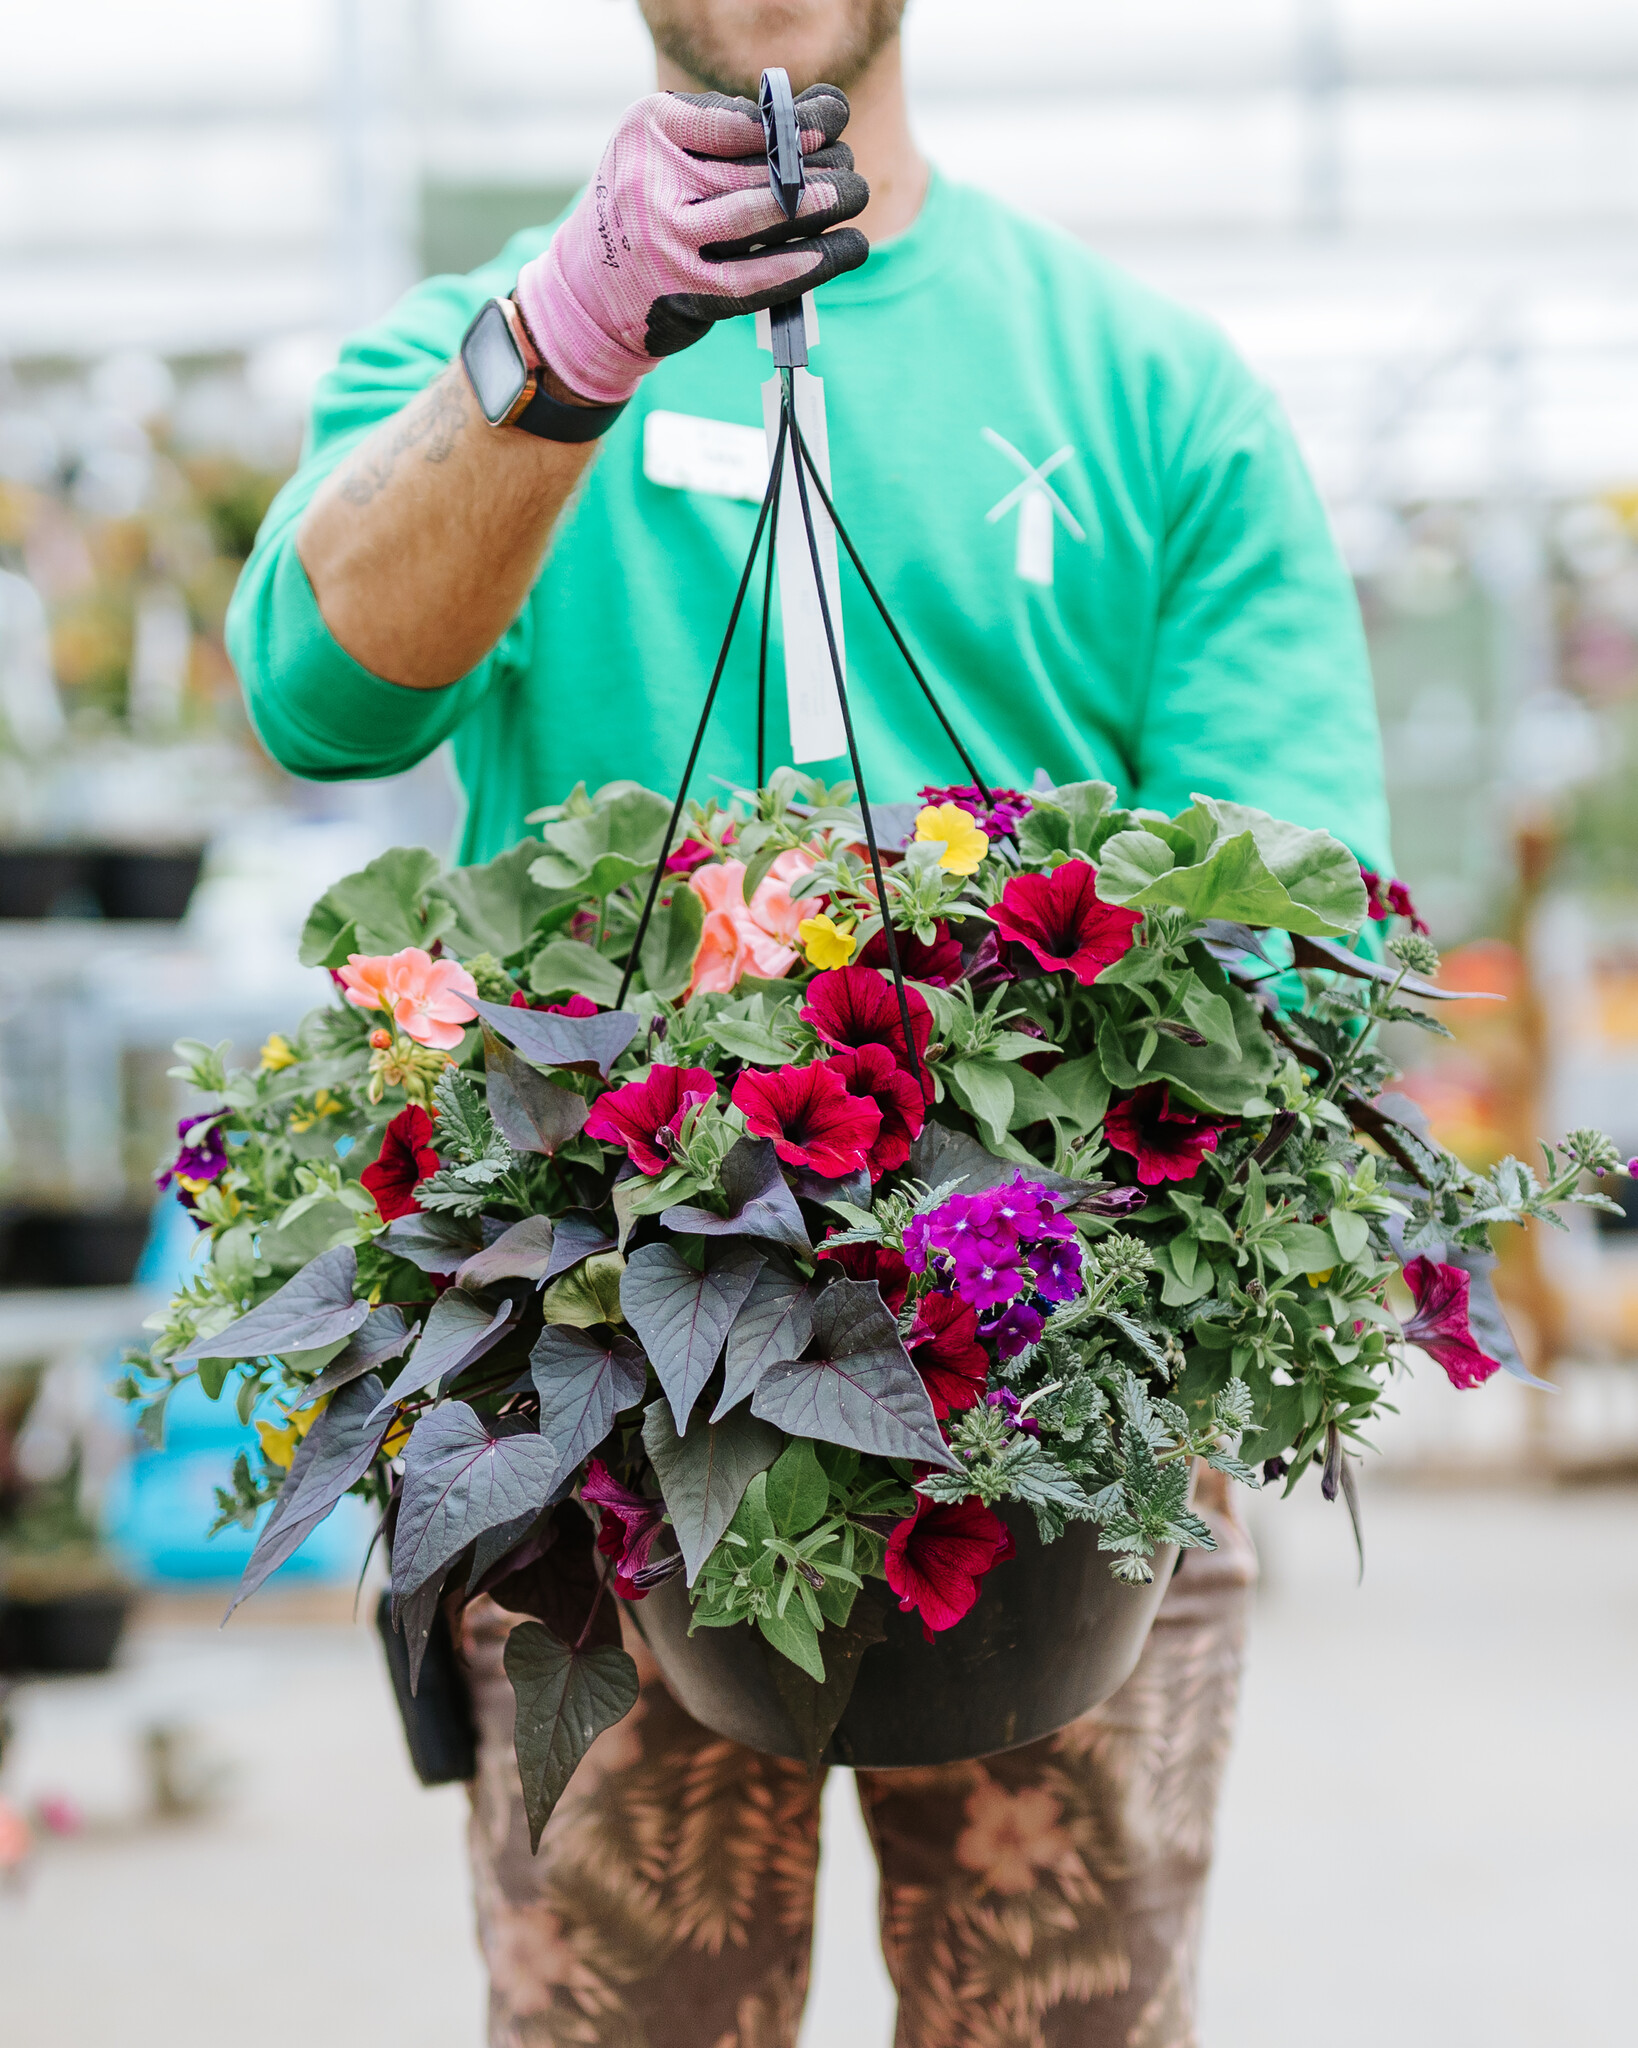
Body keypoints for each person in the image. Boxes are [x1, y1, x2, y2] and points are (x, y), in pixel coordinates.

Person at [229, 5, 1391, 2043]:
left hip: (1050, 1409)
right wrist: (558, 345)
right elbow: (318, 696)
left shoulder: (1145, 394)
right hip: (601, 1415)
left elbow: (1297, 944)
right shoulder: (474, 351)